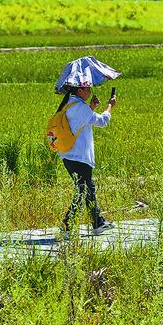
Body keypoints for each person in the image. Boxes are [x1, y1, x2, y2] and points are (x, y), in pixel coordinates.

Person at [58, 83, 117, 236]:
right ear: (79, 90)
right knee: (83, 191)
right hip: (80, 157)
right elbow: (102, 122)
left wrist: (91, 107)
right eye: (87, 89)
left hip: (68, 156)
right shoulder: (80, 107)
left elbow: (79, 122)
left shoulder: (70, 104)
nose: (90, 92)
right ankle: (67, 225)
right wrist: (110, 106)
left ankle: (98, 223)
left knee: (87, 190)